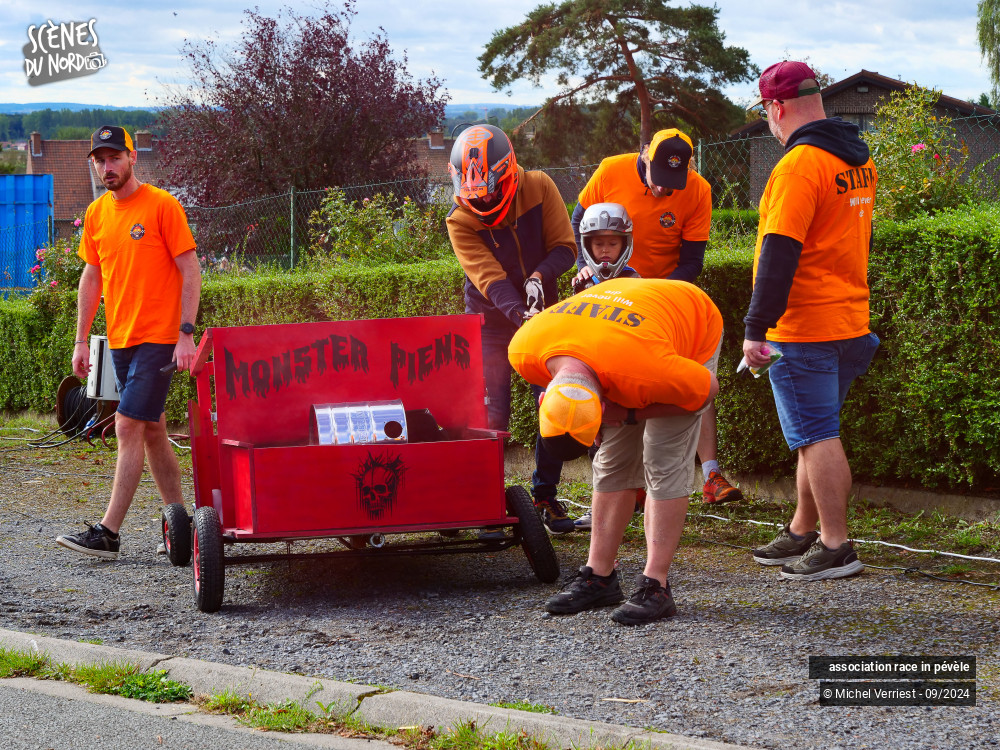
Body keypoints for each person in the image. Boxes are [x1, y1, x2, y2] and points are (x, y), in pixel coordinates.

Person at [509, 277, 723, 624]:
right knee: (611, 463)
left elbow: (704, 392)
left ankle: (657, 586)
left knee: (662, 459)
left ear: (602, 408)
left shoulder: (651, 371)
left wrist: (630, 414)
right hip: (621, 337)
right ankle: (600, 576)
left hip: (687, 321)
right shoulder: (524, 348)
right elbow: (558, 397)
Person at [742, 61, 879, 581]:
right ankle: (803, 527)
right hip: (849, 319)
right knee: (813, 432)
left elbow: (780, 251)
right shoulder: (854, 157)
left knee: (816, 435)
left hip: (804, 328)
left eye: (766, 113)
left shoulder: (799, 165)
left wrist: (756, 329)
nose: (769, 124)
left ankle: (836, 546)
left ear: (776, 107)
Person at [573, 128, 742, 506]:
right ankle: (624, 483)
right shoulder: (609, 170)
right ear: (645, 156)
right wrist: (587, 270)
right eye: (659, 181)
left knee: (693, 375)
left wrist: (657, 295)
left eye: (673, 183)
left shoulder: (697, 189)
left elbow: (692, 261)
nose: (666, 191)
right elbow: (579, 223)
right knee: (611, 379)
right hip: (613, 297)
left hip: (664, 297)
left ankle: (711, 474)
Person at [56, 125, 201, 560]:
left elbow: (191, 270)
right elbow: (92, 276)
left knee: (126, 424)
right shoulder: (98, 213)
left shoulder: (162, 205)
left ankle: (108, 533)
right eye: (100, 160)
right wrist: (82, 341)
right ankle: (181, 525)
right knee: (153, 430)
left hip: (160, 339)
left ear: (132, 158)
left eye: (114, 157)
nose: (107, 166)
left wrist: (185, 334)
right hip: (121, 340)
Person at [446, 124, 578, 534]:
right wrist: (521, 313)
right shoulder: (459, 220)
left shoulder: (539, 186)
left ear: (509, 171)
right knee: (490, 412)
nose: (483, 199)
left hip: (546, 313)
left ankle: (545, 496)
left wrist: (540, 275)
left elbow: (565, 246)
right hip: (491, 321)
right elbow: (489, 278)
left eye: (490, 189)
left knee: (552, 405)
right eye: (475, 194)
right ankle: (486, 502)